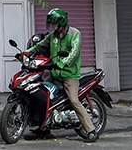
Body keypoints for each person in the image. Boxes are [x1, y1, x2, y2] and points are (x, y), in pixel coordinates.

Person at [27, 8, 97, 143]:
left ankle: (91, 131)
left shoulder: (74, 34)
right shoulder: (53, 36)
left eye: (54, 24)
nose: (53, 27)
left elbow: (74, 53)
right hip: (54, 74)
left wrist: (62, 64)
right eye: (51, 24)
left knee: (74, 101)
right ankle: (43, 126)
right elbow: (39, 46)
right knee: (38, 92)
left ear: (62, 22)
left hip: (69, 75)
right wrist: (25, 53)